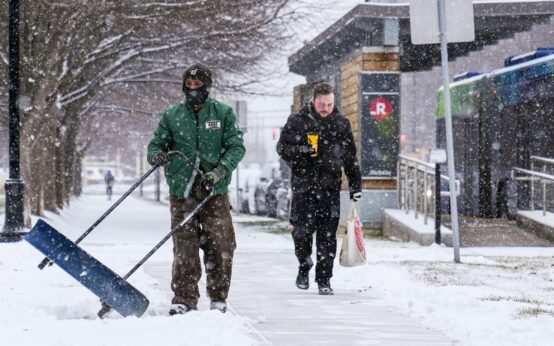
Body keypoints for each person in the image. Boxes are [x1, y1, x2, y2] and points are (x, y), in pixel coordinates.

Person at [147, 63, 245, 315]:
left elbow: (236, 147)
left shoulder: (222, 113)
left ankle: (218, 297)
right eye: (188, 85)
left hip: (214, 192)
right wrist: (157, 155)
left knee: (221, 244)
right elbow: (156, 144)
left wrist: (219, 171)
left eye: (197, 85)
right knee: (184, 247)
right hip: (182, 191)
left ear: (207, 87)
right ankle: (184, 298)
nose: (193, 89)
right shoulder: (172, 115)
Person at [277, 82, 362, 295]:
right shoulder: (298, 121)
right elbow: (282, 148)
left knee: (327, 237)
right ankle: (304, 265)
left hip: (329, 188)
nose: (326, 108)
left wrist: (355, 184)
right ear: (314, 101)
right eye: (322, 104)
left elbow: (350, 157)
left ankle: (324, 279)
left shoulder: (341, 124)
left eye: (330, 104)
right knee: (301, 233)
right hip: (303, 188)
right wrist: (302, 151)